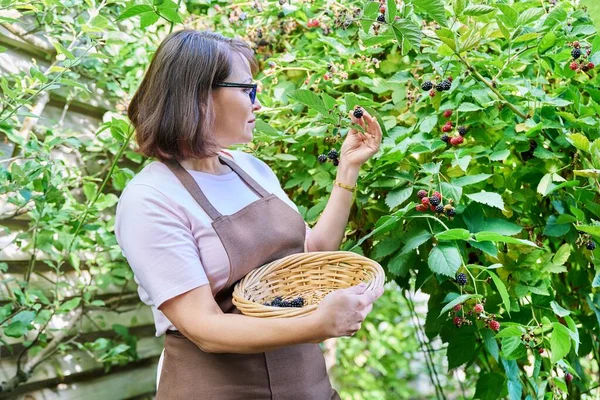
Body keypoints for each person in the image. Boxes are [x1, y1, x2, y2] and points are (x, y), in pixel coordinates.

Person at [114, 29, 384, 399]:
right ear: (199, 96)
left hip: (307, 387)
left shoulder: (250, 169)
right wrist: (318, 324)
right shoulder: (150, 199)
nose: (258, 104)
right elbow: (204, 328)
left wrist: (347, 170)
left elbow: (313, 251)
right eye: (247, 91)